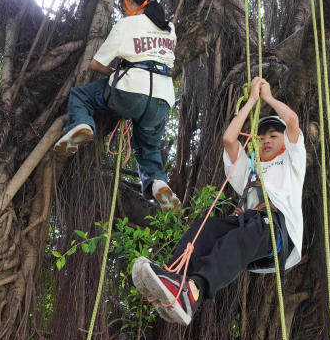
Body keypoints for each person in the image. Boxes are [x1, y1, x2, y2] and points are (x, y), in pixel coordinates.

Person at [131, 76, 306, 325]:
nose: (266, 140)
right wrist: (251, 102)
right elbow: (229, 139)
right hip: (248, 224)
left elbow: (292, 121)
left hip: (276, 229)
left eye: (273, 136)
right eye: (262, 136)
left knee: (250, 229)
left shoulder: (292, 161)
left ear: (285, 143)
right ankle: (173, 277)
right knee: (207, 226)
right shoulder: (250, 169)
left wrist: (267, 98)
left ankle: (194, 290)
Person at [53, 0, 180, 211]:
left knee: (81, 96)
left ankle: (81, 125)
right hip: (163, 99)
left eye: (124, 3)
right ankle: (158, 182)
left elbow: (96, 64)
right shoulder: (170, 29)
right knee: (148, 147)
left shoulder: (125, 25)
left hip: (129, 92)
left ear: (133, 0)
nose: (123, 8)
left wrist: (116, 71)